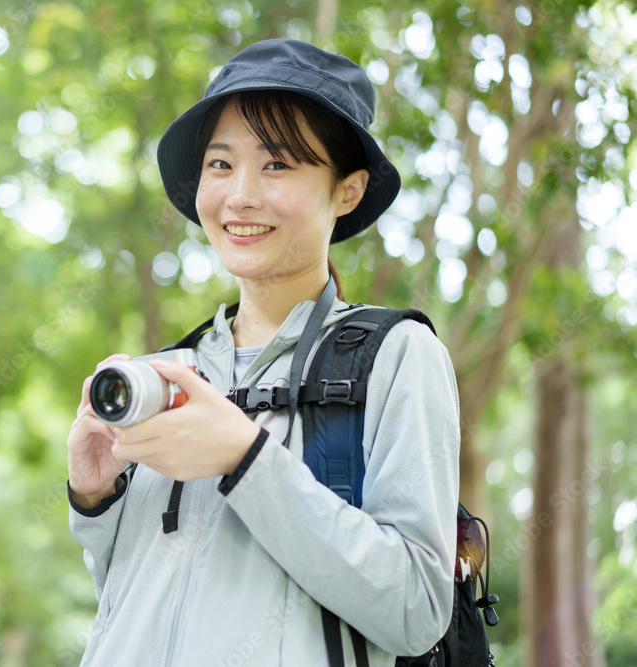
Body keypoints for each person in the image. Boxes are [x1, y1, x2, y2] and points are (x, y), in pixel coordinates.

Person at [66, 38, 460, 666]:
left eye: (277, 165)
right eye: (220, 165)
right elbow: (129, 600)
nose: (240, 195)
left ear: (348, 191)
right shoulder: (168, 373)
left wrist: (246, 460)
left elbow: (416, 609)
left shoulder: (394, 356)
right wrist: (94, 499)